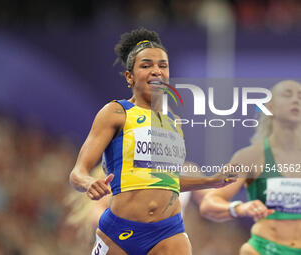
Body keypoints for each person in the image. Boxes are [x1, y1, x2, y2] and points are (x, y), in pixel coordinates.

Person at [69, 28, 235, 255]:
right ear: (129, 76)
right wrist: (88, 182)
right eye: (146, 65)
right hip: (120, 230)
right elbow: (77, 172)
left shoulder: (173, 123)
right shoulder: (116, 112)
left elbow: (167, 182)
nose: (156, 71)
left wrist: (211, 181)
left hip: (169, 231)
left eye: (162, 66)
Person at [200, 80, 301, 255]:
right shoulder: (250, 157)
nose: (296, 100)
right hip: (264, 249)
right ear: (270, 107)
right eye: (287, 94)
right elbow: (209, 203)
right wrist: (240, 208)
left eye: (300, 96)